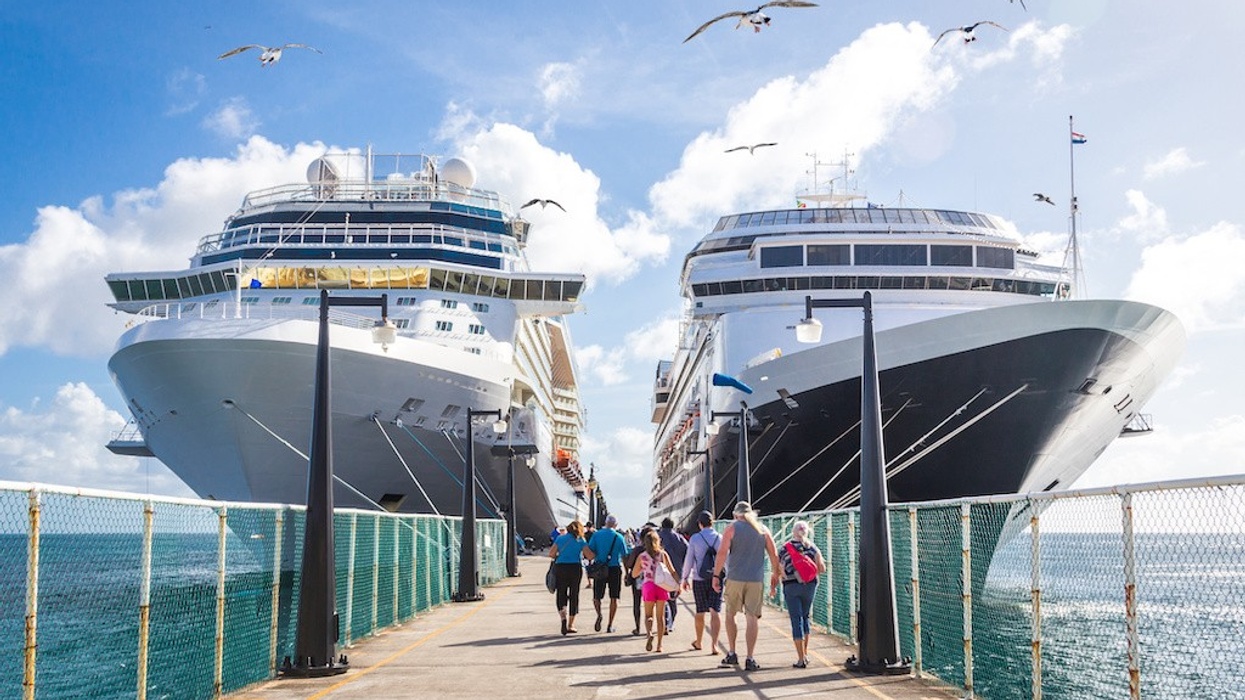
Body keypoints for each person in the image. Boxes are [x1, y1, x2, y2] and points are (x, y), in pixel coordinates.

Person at [711, 501, 780, 672]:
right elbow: (773, 553)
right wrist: (775, 574)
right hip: (756, 579)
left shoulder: (732, 528)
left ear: (736, 514)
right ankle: (750, 657)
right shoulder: (763, 530)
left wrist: (716, 575)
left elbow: (722, 552)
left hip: (735, 578)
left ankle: (733, 652)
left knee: (730, 614)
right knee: (752, 618)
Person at [775, 520, 826, 668]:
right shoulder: (812, 547)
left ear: (793, 531)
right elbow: (821, 568)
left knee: (796, 619)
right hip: (810, 585)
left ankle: (800, 658)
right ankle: (806, 653)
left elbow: (779, 569)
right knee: (805, 617)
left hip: (791, 586)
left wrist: (781, 578)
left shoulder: (785, 548)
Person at [630, 528, 679, 653]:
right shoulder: (663, 554)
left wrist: (643, 569)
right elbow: (672, 570)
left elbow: (634, 574)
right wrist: (678, 585)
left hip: (648, 586)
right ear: (658, 541)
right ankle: (659, 645)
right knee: (660, 616)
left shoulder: (642, 556)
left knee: (648, 615)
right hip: (661, 586)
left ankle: (649, 633)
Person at [681, 510, 722, 654]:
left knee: (700, 611)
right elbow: (726, 559)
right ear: (712, 522)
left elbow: (689, 559)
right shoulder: (720, 538)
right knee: (715, 611)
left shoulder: (695, 539)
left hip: (699, 578)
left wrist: (685, 578)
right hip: (717, 578)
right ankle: (715, 645)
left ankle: (699, 641)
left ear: (699, 524)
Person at [584, 514, 629, 632]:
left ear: (605, 523)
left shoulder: (596, 535)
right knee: (614, 597)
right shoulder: (619, 537)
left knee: (596, 596)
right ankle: (610, 625)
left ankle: (599, 614)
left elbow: (590, 550)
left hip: (600, 568)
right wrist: (627, 572)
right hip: (614, 568)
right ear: (616, 524)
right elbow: (624, 556)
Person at [548, 520, 587, 635]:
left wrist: (560, 554)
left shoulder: (560, 538)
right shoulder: (580, 540)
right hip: (575, 568)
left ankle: (563, 618)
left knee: (561, 593)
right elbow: (589, 555)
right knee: (574, 594)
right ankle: (571, 624)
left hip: (561, 567)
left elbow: (551, 554)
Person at [622, 522, 656, 635]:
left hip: (638, 579)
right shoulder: (658, 551)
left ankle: (637, 627)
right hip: (653, 580)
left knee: (637, 603)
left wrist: (626, 565)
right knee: (652, 604)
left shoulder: (637, 550)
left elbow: (629, 564)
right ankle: (650, 629)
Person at [658, 517, 688, 633]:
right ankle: (671, 623)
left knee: (662, 598)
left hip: (660, 573)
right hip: (676, 572)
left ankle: (664, 622)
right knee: (672, 599)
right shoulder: (679, 538)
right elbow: (688, 551)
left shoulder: (657, 536)